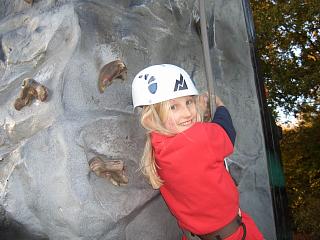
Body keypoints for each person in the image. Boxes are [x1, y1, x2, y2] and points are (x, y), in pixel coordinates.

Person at [131, 64, 264, 240]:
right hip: (235, 235)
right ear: (153, 115)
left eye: (189, 102)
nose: (187, 112)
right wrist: (221, 107)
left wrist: (199, 110)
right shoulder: (198, 138)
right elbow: (226, 132)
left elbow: (192, 143)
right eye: (173, 107)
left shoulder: (157, 148)